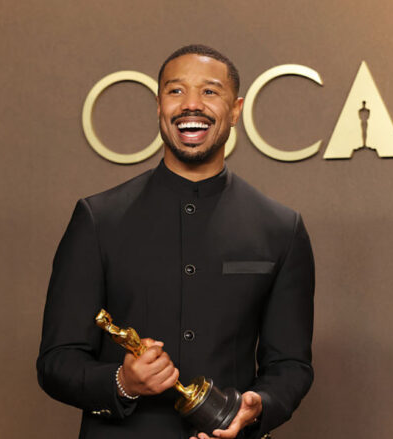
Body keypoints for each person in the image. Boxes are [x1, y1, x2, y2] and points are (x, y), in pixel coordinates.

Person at [37, 44, 315, 439]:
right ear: (158, 106)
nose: (191, 104)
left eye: (209, 91)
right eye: (176, 91)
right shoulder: (97, 219)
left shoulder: (281, 227)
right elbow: (56, 361)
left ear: (235, 110)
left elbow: (290, 364)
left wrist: (259, 406)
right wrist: (122, 382)